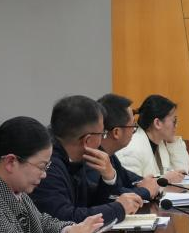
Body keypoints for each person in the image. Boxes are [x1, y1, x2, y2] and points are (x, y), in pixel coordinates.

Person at [32, 95, 144, 224]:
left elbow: (91, 204)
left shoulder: (76, 159)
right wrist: (119, 208)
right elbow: (64, 218)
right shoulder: (48, 166)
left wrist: (108, 179)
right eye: (102, 134)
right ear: (87, 140)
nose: (102, 140)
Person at [99, 94, 163, 201]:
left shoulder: (109, 154)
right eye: (133, 126)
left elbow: (128, 178)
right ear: (116, 132)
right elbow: (113, 194)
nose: (134, 130)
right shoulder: (93, 159)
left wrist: (149, 182)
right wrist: (146, 191)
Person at [115, 94, 189, 182]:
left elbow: (181, 175)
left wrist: (172, 142)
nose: (176, 125)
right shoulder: (132, 149)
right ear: (157, 123)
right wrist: (164, 180)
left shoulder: (160, 143)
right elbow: (132, 187)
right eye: (174, 120)